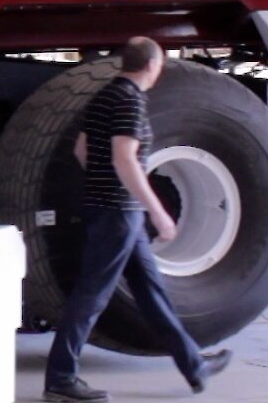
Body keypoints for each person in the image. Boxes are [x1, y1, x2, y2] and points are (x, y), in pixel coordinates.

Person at [44, 37, 232, 402]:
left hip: (112, 210)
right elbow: (125, 158)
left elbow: (82, 149)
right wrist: (157, 211)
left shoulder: (104, 96)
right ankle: (60, 379)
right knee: (90, 297)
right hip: (120, 213)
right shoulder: (130, 100)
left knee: (151, 293)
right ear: (152, 66)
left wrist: (103, 185)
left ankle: (194, 366)